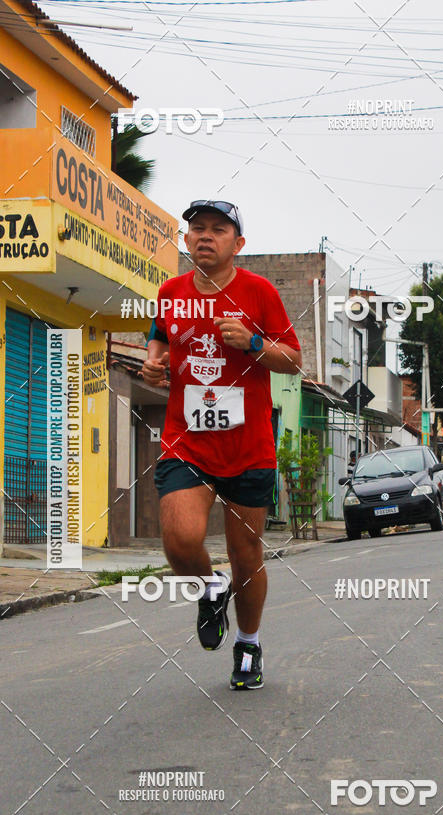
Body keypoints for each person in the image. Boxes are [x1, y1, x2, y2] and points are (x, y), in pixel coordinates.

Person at [141, 200, 302, 689]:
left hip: (247, 446)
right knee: (180, 541)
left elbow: (293, 360)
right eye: (197, 229)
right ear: (186, 241)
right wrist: (154, 362)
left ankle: (248, 645)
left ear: (238, 243)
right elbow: (160, 338)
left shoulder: (259, 292)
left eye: (218, 229)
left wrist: (253, 344)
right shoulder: (171, 292)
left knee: (246, 554)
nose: (205, 236)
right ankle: (211, 588)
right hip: (186, 441)